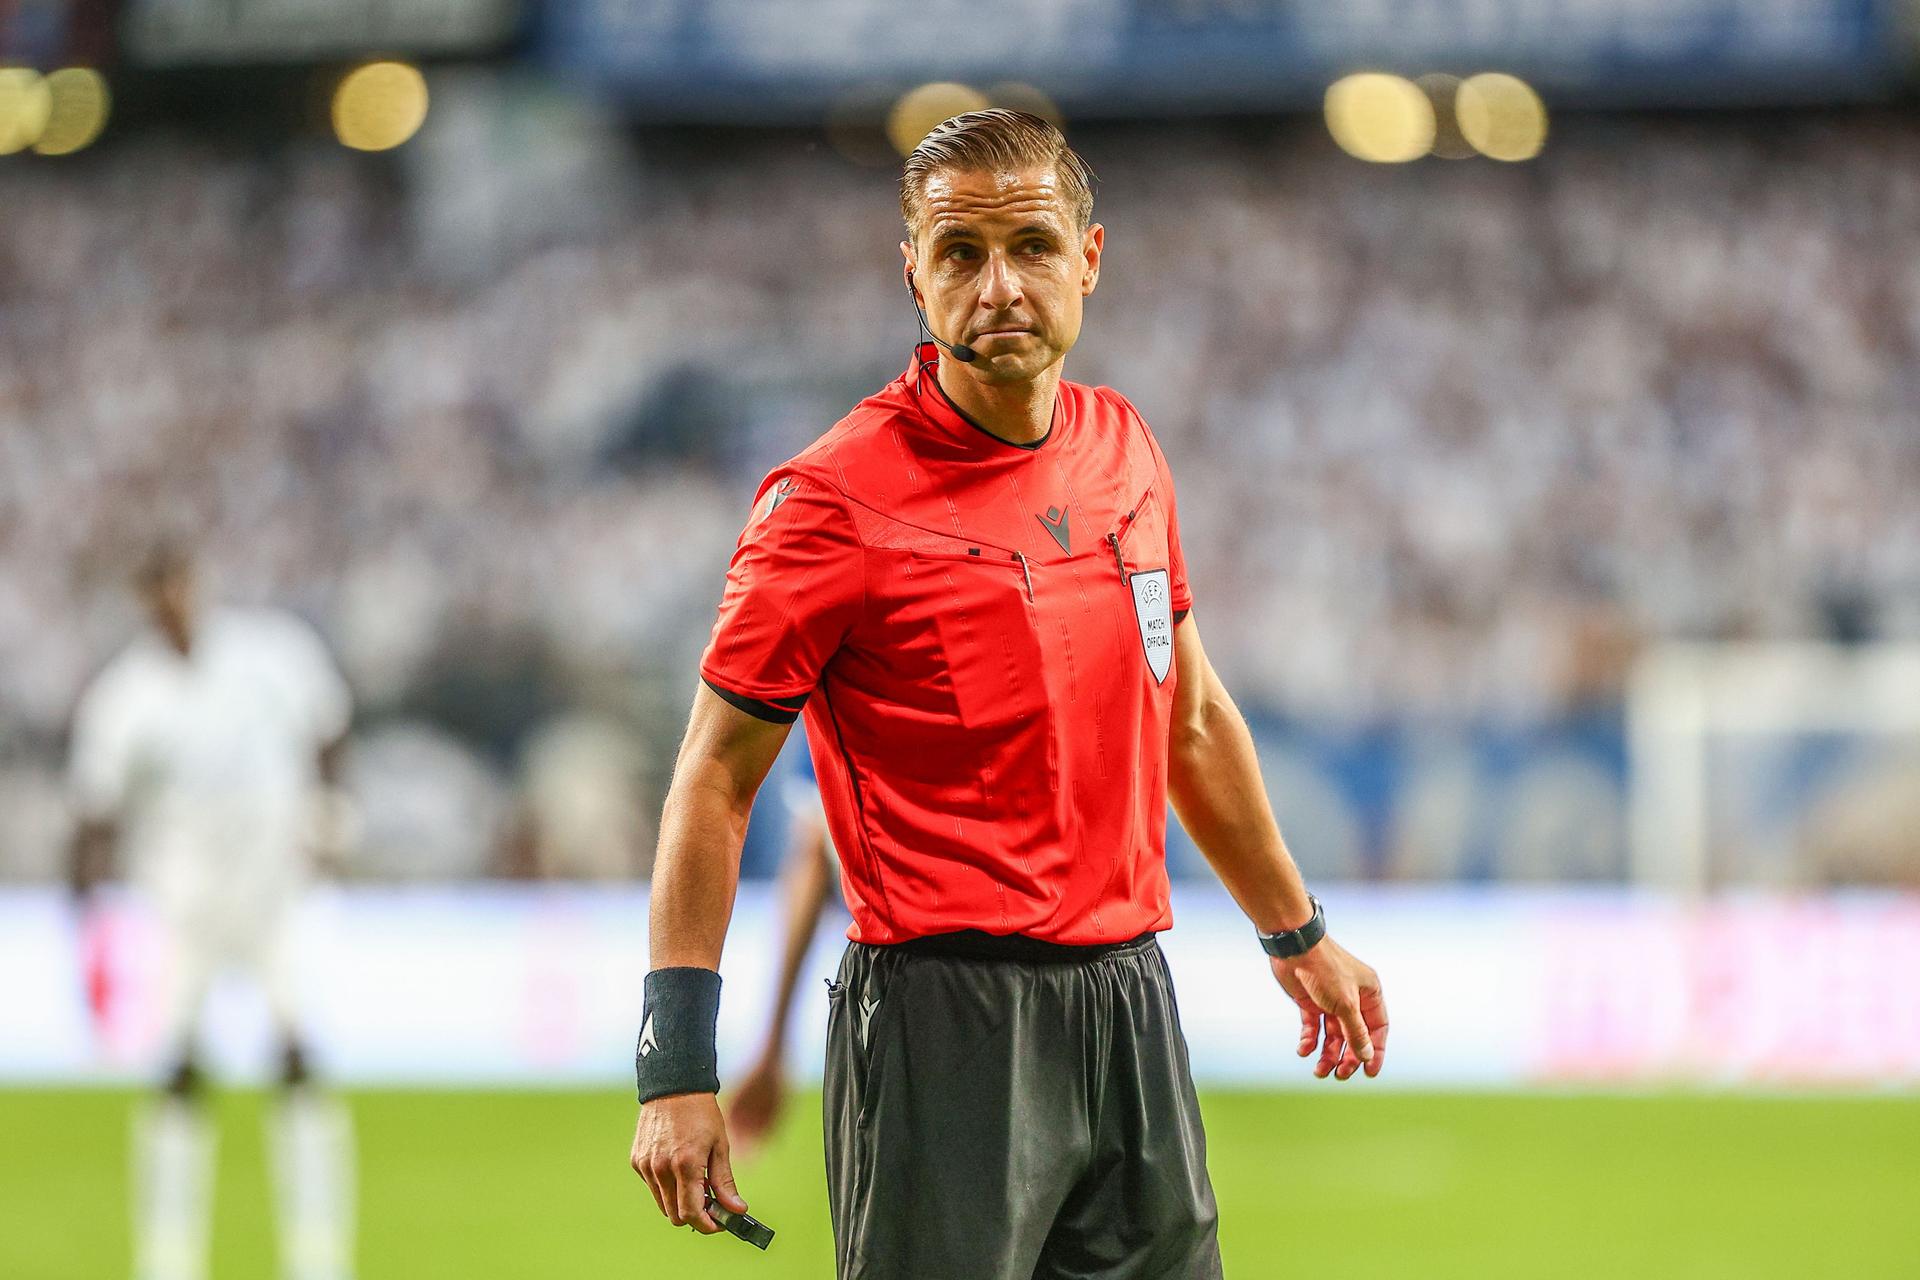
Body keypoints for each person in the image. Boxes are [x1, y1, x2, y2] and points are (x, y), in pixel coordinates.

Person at [628, 110, 1389, 1279]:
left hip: (1130, 1002)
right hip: (944, 1022)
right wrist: (676, 1065)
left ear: (1089, 257)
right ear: (914, 275)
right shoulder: (827, 504)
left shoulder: (1126, 452)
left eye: (1032, 246)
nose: (999, 287)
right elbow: (714, 779)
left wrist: (1297, 930)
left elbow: (1188, 718)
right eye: (961, 253)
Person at [68, 545, 358, 1280]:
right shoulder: (126, 695)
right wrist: (88, 912)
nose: (171, 605)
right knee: (177, 1072)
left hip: (274, 892)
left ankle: (318, 1256)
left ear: (195, 584)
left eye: (177, 587)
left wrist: (329, 811)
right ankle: (167, 1259)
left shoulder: (268, 653)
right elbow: (95, 810)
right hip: (183, 907)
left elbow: (329, 726)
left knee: (297, 1058)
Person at [724, 744, 840, 1153]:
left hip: (900, 982)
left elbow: (813, 853)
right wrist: (772, 1047)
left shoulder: (840, 715)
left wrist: (773, 1045)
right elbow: (813, 852)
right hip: (1013, 966)